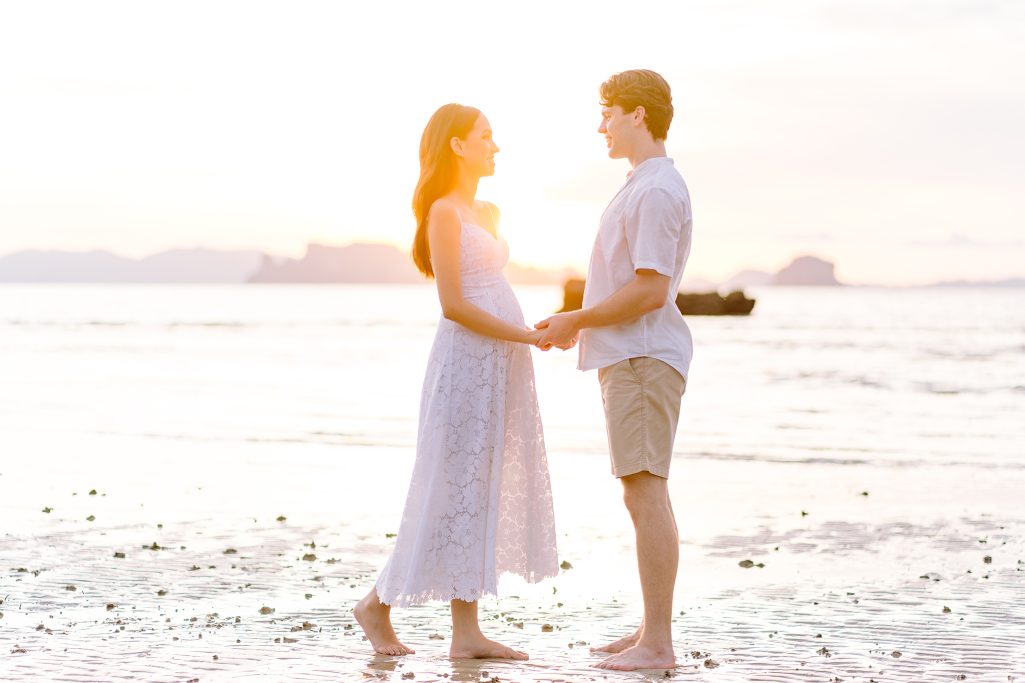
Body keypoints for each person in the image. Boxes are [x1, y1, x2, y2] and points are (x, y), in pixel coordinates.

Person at [354, 103, 559, 660]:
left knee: (479, 487)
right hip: (467, 363)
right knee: (448, 487)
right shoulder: (443, 212)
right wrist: (525, 335)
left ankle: (466, 634)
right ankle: (376, 604)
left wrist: (525, 337)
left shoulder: (487, 210)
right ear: (457, 146)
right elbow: (453, 305)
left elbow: (489, 283)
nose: (496, 146)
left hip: (500, 362)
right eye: (486, 137)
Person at [535, 69, 693, 671]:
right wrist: (581, 323)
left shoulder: (655, 190)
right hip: (632, 357)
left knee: (645, 490)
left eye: (608, 112)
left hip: (643, 356)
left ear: (638, 116)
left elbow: (651, 290)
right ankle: (651, 629)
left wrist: (576, 319)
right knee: (641, 491)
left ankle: (657, 645)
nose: (600, 124)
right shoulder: (642, 184)